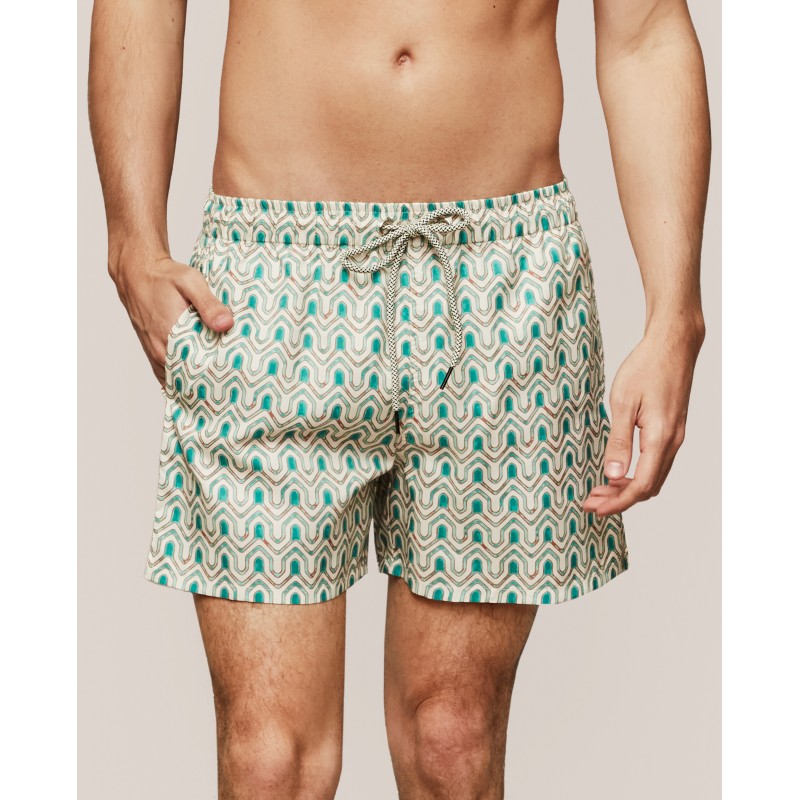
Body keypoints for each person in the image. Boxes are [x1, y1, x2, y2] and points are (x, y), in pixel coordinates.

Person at [88, 0, 709, 797]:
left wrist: (674, 311)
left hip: (502, 282)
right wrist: (131, 240)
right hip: (274, 277)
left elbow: (645, 29)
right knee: (269, 762)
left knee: (453, 740)